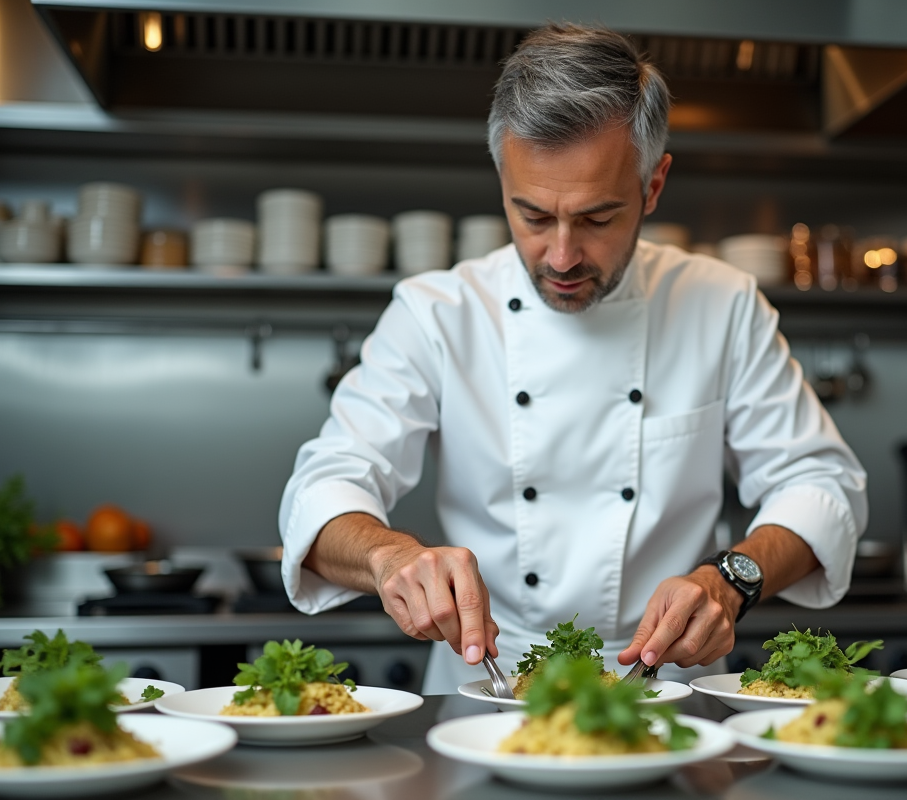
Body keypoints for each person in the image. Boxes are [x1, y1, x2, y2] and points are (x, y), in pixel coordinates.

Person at [278, 24, 867, 694]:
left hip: (670, 689)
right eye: (532, 216)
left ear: (653, 186)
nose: (560, 258)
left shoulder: (722, 305)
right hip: (489, 689)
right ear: (502, 177)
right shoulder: (436, 314)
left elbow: (821, 483)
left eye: (596, 218)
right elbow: (324, 487)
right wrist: (391, 558)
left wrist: (729, 580)